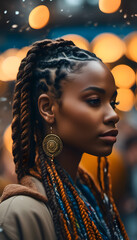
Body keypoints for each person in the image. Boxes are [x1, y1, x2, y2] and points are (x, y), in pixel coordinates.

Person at [0, 38, 128, 240]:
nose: (113, 114)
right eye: (94, 100)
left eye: (113, 102)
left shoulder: (92, 199)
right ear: (48, 108)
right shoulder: (21, 214)